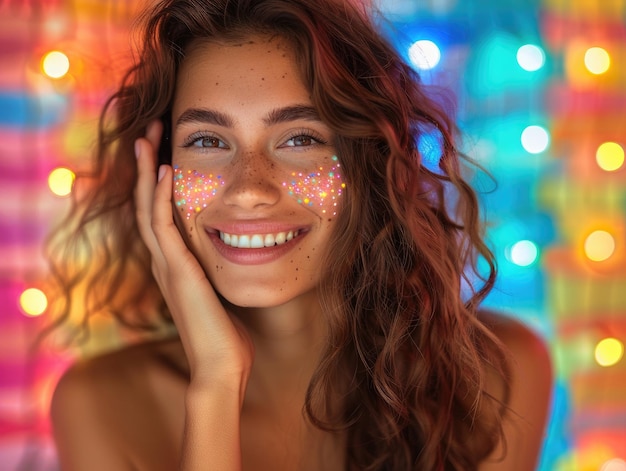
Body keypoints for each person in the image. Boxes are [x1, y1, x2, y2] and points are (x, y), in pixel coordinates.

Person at [47, 0, 552, 469]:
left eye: (299, 138)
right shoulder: (99, 404)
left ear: (368, 165)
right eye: (206, 140)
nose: (249, 189)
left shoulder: (496, 377)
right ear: (159, 173)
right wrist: (217, 384)